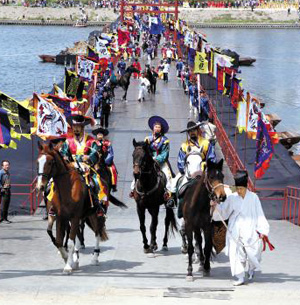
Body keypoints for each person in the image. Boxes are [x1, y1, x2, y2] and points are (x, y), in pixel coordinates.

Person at [211, 170, 270, 286]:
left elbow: (260, 214)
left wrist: (262, 230)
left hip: (250, 229)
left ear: (246, 187)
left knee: (254, 253)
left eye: (241, 189)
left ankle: (251, 268)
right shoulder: (232, 197)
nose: (238, 191)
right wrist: (216, 206)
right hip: (235, 230)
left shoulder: (253, 198)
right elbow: (224, 212)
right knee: (236, 254)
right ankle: (240, 276)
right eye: (237, 189)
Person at [60, 113, 108, 217]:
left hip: (86, 169)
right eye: (74, 127)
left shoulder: (91, 140)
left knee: (97, 181)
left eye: (78, 127)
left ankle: (99, 204)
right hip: (71, 167)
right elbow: (63, 153)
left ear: (82, 127)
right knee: (55, 182)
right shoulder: (68, 141)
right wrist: (65, 157)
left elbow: (96, 154)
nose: (76, 129)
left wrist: (89, 158)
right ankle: (54, 205)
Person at [129, 116, 175, 205]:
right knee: (138, 172)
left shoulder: (165, 140)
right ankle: (133, 189)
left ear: (161, 129)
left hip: (161, 162)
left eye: (159, 127)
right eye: (156, 127)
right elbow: (144, 150)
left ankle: (168, 194)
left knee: (168, 176)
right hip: (149, 161)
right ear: (153, 128)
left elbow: (165, 153)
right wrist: (148, 158)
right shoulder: (147, 139)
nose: (157, 128)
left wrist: (157, 159)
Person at [92, 127, 118, 193]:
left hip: (106, 160)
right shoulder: (93, 143)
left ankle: (113, 185)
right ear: (96, 135)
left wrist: (107, 161)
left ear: (103, 135)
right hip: (95, 160)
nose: (100, 136)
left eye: (101, 134)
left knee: (113, 169)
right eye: (98, 134)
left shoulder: (107, 143)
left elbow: (110, 153)